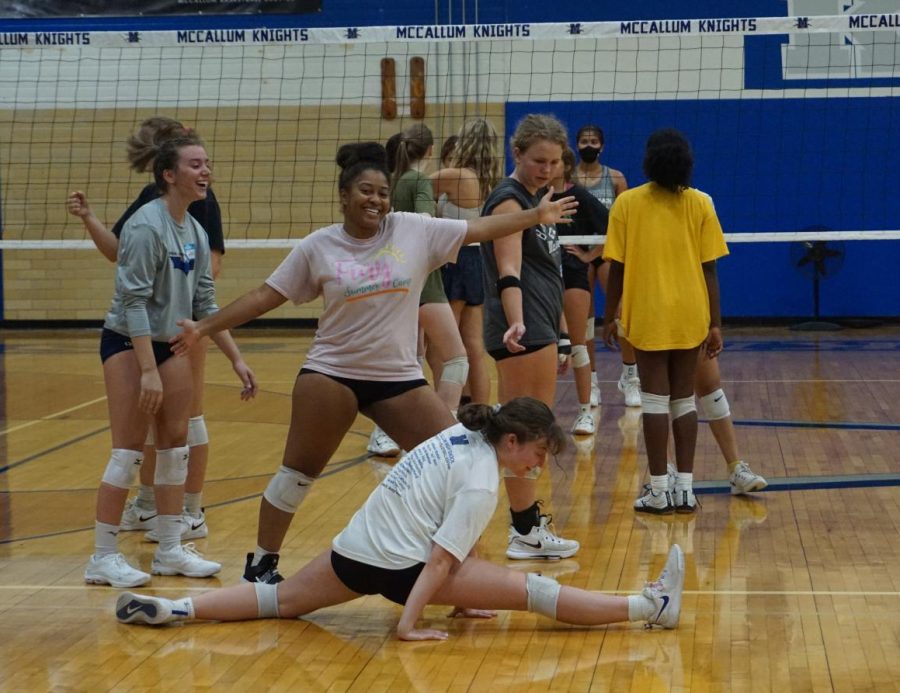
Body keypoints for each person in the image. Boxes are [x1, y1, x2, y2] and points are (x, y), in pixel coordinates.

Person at [169, 142, 578, 584]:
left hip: (398, 378)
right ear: (344, 195)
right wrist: (205, 327)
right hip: (332, 372)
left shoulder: (412, 229)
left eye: (383, 193)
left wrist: (534, 216)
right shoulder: (318, 246)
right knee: (296, 475)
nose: (376, 200)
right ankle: (262, 564)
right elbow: (264, 297)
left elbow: (478, 227)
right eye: (366, 191)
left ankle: (458, 573)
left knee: (462, 462)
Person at [115, 398, 685, 636]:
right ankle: (650, 607)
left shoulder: (462, 434)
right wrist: (411, 622)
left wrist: (460, 597)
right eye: (539, 452)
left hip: (354, 549)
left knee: (278, 600)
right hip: (403, 569)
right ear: (512, 441)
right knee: (535, 589)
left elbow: (444, 534)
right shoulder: (485, 480)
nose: (540, 463)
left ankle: (177, 608)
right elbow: (440, 558)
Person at [66, 116, 256, 542]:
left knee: (177, 434)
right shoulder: (148, 218)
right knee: (132, 446)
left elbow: (207, 296)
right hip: (139, 337)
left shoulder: (197, 222)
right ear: (169, 170)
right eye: (196, 163)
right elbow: (128, 282)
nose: (206, 170)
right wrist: (91, 219)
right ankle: (109, 548)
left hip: (183, 330)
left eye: (207, 163)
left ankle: (177, 532)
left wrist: (236, 357)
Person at [602, 128, 728, 514]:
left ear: (649, 160)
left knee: (654, 400)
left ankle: (658, 490)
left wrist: (609, 316)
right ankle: (686, 490)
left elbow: (617, 268)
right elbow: (710, 271)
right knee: (683, 399)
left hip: (649, 311)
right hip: (691, 311)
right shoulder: (702, 202)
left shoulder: (627, 203)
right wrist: (716, 323)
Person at [480, 114, 580, 560]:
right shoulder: (509, 202)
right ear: (516, 153)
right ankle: (523, 531)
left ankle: (527, 527)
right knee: (523, 434)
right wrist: (518, 322)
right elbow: (509, 269)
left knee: (532, 431)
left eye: (555, 162)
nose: (547, 169)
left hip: (539, 325)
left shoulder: (541, 200)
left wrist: (560, 334)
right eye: (538, 160)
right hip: (520, 330)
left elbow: (550, 270)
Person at [431, 118, 503, 405]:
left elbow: (409, 186)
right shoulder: (493, 181)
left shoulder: (456, 175)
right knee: (474, 344)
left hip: (455, 260)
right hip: (480, 260)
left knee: (442, 347)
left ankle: (446, 412)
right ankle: (480, 410)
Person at [572, 124, 638, 408]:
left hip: (609, 251)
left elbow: (624, 223)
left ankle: (631, 376)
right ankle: (592, 382)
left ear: (602, 146)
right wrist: (583, 254)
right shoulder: (567, 178)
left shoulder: (616, 178)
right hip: (578, 250)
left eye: (594, 141)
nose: (589, 145)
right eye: (584, 141)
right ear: (576, 145)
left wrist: (597, 252)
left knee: (622, 314)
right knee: (584, 322)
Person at [550, 148, 609, 435]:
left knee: (578, 342)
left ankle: (585, 411)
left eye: (554, 162)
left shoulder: (579, 196)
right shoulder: (532, 196)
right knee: (543, 347)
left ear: (566, 165)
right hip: (540, 276)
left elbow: (614, 227)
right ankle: (541, 413)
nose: (548, 168)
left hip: (572, 272)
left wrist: (588, 256)